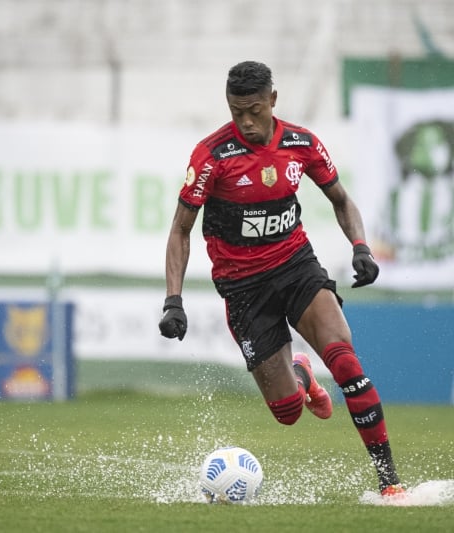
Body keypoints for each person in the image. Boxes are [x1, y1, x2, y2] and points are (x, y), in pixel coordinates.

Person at [159, 61, 405, 498]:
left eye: (254, 110)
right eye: (237, 112)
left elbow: (342, 200)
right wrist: (173, 301)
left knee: (346, 363)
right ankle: (301, 377)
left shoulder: (301, 144)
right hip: (243, 289)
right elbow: (180, 230)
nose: (246, 121)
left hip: (297, 268)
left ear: (273, 100)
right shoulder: (211, 155)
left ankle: (390, 485)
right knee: (288, 411)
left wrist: (361, 247)